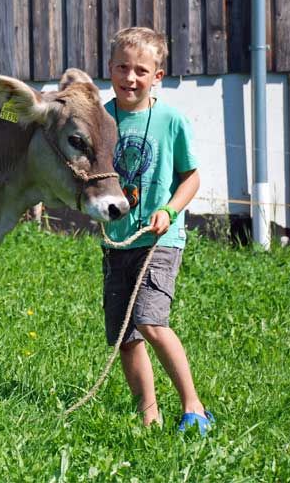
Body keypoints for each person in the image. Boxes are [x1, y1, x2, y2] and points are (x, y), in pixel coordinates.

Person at [102, 27, 212, 434]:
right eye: (122, 68)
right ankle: (148, 413)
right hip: (117, 239)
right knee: (125, 336)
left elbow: (192, 178)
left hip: (160, 240)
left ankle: (194, 405)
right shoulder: (102, 119)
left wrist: (169, 209)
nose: (130, 78)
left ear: (158, 77)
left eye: (141, 71)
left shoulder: (170, 120)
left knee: (150, 321)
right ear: (110, 69)